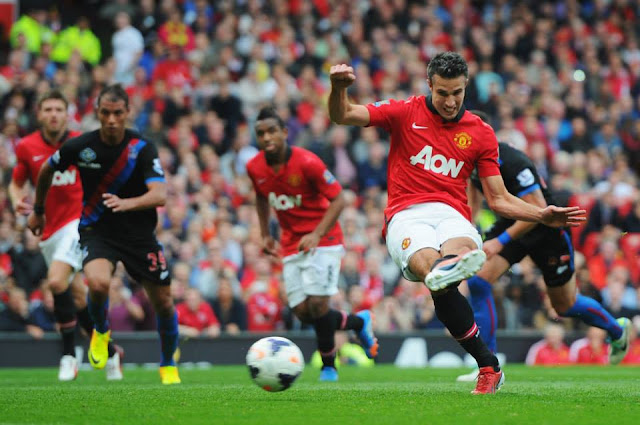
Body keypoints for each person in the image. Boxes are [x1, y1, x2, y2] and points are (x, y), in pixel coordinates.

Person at [328, 52, 586, 394]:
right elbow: (343, 114)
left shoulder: (480, 133)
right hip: (406, 214)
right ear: (429, 86)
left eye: (458, 93)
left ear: (466, 88)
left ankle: (459, 289)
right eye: (443, 93)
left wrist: (541, 214)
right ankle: (484, 354)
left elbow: (498, 199)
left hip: (452, 214)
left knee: (449, 263)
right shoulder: (404, 111)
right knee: (433, 272)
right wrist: (337, 88)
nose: (450, 102)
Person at [456, 110, 632, 382]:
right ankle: (488, 366)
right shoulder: (470, 161)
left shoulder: (514, 161)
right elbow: (474, 199)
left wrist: (499, 241)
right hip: (514, 223)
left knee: (565, 305)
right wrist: (467, 231)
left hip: (545, 229)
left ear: (483, 134)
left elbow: (539, 211)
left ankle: (617, 331)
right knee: (479, 282)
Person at [27, 84, 180, 385]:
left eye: (117, 113)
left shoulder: (142, 148)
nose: (111, 119)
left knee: (163, 302)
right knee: (97, 283)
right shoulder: (80, 147)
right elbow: (47, 170)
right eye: (105, 113)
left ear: (127, 113)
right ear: (97, 113)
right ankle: (100, 330)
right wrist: (38, 208)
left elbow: (159, 195)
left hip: (139, 235)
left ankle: (167, 365)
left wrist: (127, 203)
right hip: (98, 231)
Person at [246, 106, 378, 382]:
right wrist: (264, 233)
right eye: (261, 133)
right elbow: (260, 196)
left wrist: (317, 234)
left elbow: (340, 199)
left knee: (319, 304)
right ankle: (357, 322)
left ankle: (328, 366)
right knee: (303, 312)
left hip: (325, 237)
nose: (267, 137)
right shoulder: (254, 167)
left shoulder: (308, 162)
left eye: (272, 131)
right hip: (291, 242)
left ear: (284, 132)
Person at [9, 89, 122, 381]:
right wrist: (16, 199)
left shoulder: (81, 144)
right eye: (48, 109)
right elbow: (17, 182)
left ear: (67, 113)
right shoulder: (26, 146)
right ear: (39, 114)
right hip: (48, 230)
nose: (54, 114)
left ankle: (69, 355)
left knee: (56, 281)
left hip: (78, 223)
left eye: (59, 109)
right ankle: (109, 353)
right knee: (77, 297)